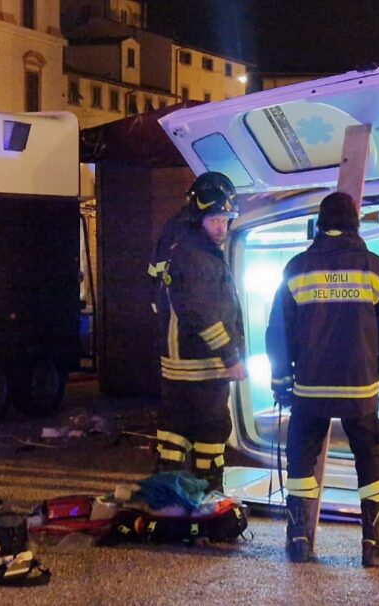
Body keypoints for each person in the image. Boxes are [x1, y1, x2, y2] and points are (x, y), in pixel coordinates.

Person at [265, 191, 379, 567]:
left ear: (319, 224)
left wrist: (280, 380)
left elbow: (278, 331)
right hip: (360, 386)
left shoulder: (297, 269)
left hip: (310, 387)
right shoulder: (374, 268)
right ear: (354, 224)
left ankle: (299, 540)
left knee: (301, 455)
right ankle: (375, 543)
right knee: (369, 455)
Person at [153, 171, 248, 492]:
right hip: (204, 367)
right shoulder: (197, 256)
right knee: (211, 433)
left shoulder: (179, 245)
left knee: (173, 435)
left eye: (225, 220)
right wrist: (230, 356)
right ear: (199, 218)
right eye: (214, 220)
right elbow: (202, 312)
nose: (221, 227)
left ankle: (167, 500)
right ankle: (209, 499)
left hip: (177, 364)